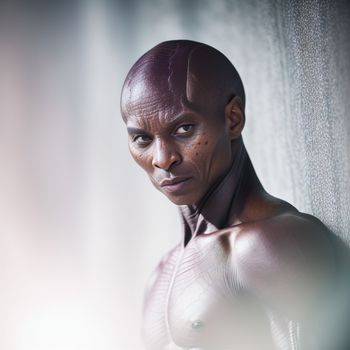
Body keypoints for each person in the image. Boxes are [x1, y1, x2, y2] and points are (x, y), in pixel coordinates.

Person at [120, 40, 350, 350]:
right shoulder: (162, 273)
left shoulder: (267, 246)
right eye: (142, 139)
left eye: (184, 128)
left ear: (233, 119)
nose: (163, 159)